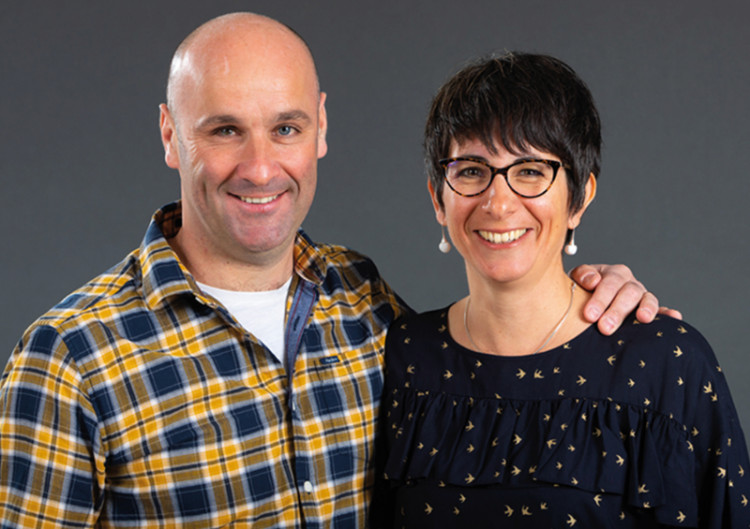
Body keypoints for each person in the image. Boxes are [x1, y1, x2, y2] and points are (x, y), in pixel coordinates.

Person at [0, 13, 671, 528]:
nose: (260, 168)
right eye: (224, 130)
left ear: (320, 128)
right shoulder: (69, 360)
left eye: (285, 128)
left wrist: (589, 298)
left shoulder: (367, 304)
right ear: (171, 135)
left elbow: (501, 359)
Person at [378, 51, 750, 528]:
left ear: (580, 197)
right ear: (438, 197)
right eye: (471, 170)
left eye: (530, 171)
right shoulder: (405, 355)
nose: (498, 203)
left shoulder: (667, 362)